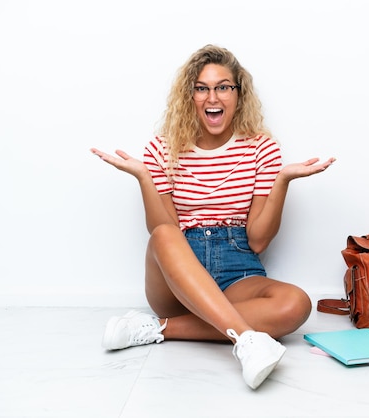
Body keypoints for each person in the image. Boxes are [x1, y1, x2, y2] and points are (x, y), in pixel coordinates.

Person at [90, 44, 335, 389]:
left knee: (296, 304)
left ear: (238, 93)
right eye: (202, 88)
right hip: (178, 277)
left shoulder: (261, 148)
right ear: (189, 95)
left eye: (223, 86)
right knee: (163, 233)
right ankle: (247, 339)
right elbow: (164, 231)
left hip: (238, 269)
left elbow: (259, 240)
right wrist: (144, 177)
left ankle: (157, 328)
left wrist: (282, 180)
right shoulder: (162, 148)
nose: (212, 96)